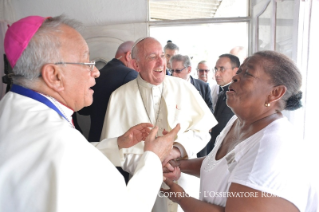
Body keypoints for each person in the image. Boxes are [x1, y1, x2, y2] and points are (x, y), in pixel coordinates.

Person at [0, 15, 181, 212]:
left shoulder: (12, 106)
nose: (96, 72)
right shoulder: (64, 145)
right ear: (54, 76)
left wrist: (117, 144)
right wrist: (153, 158)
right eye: (86, 62)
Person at [162, 51, 318, 212]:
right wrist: (177, 164)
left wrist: (181, 198)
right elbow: (217, 166)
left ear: (275, 93)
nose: (236, 77)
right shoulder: (237, 122)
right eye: (240, 71)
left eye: (248, 73)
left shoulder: (272, 146)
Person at [100, 37, 217, 212]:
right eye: (152, 56)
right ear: (136, 65)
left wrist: (175, 151)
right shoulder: (119, 96)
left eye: (162, 55)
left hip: (185, 180)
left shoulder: (184, 88)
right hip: (144, 187)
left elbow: (203, 130)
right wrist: (154, 166)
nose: (161, 61)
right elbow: (117, 149)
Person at [78, 41, 137, 142]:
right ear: (129, 55)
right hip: (118, 141)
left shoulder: (100, 72)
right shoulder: (131, 75)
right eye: (137, 59)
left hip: (95, 139)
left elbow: (84, 111)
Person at [170, 54, 213, 157]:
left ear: (189, 69)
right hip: (176, 139)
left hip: (197, 138)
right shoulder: (167, 86)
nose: (174, 75)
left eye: (178, 71)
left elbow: (209, 110)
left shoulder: (203, 86)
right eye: (172, 71)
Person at [207, 54, 239, 153]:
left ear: (236, 71)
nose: (217, 74)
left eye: (222, 69)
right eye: (216, 69)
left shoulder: (239, 95)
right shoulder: (222, 92)